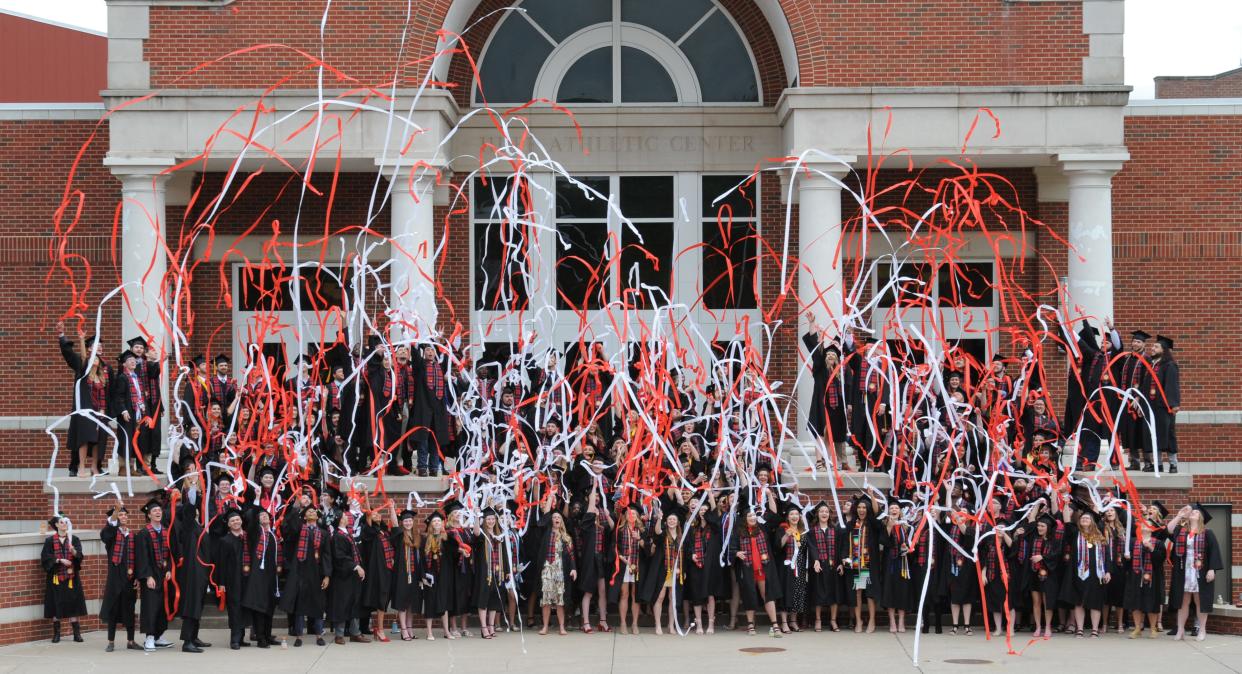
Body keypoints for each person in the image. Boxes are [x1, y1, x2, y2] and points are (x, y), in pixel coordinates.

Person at [57, 322, 112, 477]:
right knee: (85, 437)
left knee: (99, 438)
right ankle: (80, 467)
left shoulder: (104, 371)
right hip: (84, 410)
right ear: (89, 350)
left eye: (101, 346)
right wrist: (69, 337)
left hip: (99, 410)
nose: (96, 361)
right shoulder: (83, 370)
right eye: (96, 345)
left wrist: (104, 411)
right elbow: (74, 356)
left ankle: (95, 467)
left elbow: (106, 393)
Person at [1167, 503, 1224, 641]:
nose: (1193, 513)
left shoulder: (1207, 533)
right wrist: (1180, 515)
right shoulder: (1181, 530)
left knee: (1200, 601)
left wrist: (1212, 569)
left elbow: (1214, 553)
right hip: (1183, 570)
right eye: (1192, 512)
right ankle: (1180, 630)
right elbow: (1168, 530)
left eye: (1196, 512)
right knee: (1183, 601)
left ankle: (1202, 630)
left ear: (1201, 517)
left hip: (1200, 570)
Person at [172, 475, 212, 652]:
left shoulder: (199, 526)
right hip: (192, 571)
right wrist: (193, 491)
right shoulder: (188, 527)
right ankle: (187, 641)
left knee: (198, 604)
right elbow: (189, 508)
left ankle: (194, 637)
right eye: (193, 510)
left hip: (201, 571)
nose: (195, 511)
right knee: (191, 605)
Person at [282, 505, 331, 647]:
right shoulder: (298, 531)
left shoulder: (323, 533)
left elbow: (327, 555)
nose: (311, 512)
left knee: (318, 604)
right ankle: (299, 636)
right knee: (299, 606)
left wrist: (327, 575)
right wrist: (296, 507)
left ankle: (318, 635)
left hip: (317, 572)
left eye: (314, 511)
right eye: (308, 511)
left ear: (317, 516)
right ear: (304, 517)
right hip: (300, 572)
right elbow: (290, 525)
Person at [732, 507, 782, 637]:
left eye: (754, 515)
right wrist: (737, 553)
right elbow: (731, 549)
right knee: (749, 595)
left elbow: (775, 517)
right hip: (747, 569)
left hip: (763, 568)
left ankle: (775, 624)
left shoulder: (763, 530)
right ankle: (750, 624)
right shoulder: (738, 533)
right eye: (749, 516)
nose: (753, 518)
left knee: (768, 595)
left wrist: (769, 495)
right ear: (745, 519)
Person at [1062, 507, 1111, 638]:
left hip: (1097, 574)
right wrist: (1066, 503)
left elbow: (1106, 555)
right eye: (1082, 518)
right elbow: (1066, 520)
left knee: (1095, 602)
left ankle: (1095, 630)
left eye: (1087, 518)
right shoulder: (1074, 533)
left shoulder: (1100, 536)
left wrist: (1108, 572)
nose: (1084, 519)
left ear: (1092, 521)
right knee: (1079, 602)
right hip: (1079, 573)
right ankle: (1080, 629)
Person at [134, 498, 173, 652]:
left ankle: (158, 636)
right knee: (151, 606)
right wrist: (147, 576)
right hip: (151, 575)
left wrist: (169, 568)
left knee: (163, 606)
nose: (158, 512)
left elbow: (170, 554)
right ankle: (149, 638)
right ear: (149, 515)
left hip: (164, 574)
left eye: (159, 510)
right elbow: (142, 557)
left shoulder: (166, 531)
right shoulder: (144, 533)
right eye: (154, 511)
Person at [639, 505, 684, 636]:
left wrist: (680, 569)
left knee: (673, 599)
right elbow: (657, 531)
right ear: (666, 521)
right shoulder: (663, 534)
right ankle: (658, 625)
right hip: (663, 570)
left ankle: (671, 625)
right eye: (669, 519)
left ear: (677, 522)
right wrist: (659, 519)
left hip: (676, 571)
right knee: (660, 597)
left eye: (674, 519)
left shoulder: (681, 536)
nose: (671, 521)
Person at [99, 505, 139, 651]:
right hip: (115, 580)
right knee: (113, 611)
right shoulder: (111, 536)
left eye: (124, 515)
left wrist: (137, 577)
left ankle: (131, 641)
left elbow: (137, 559)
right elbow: (105, 533)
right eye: (120, 515)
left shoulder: (133, 536)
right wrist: (114, 514)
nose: (123, 517)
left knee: (130, 611)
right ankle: (111, 642)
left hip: (129, 579)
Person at [41, 514, 86, 643]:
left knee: (73, 603)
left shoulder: (74, 540)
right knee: (56, 603)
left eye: (66, 522)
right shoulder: (50, 541)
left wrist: (74, 552)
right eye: (61, 522)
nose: (64, 524)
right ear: (56, 525)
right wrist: (59, 560)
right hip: (56, 577)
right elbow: (45, 558)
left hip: (72, 578)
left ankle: (76, 634)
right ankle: (56, 634)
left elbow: (80, 556)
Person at [1138, 335, 1181, 473]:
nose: (1152, 348)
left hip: (1164, 406)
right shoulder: (1151, 364)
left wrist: (1173, 404)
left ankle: (1173, 464)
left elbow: (1172, 386)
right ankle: (1159, 464)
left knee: (1167, 434)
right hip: (1150, 405)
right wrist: (1141, 405)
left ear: (1164, 350)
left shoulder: (1170, 366)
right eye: (1153, 346)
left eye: (1156, 346)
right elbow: (1144, 387)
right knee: (1153, 434)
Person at [329, 511, 370, 645]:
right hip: (343, 577)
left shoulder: (346, 533)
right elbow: (340, 557)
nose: (348, 517)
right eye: (345, 516)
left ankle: (355, 633)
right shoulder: (337, 536)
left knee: (354, 603)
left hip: (352, 577)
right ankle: (339, 635)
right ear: (341, 520)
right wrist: (355, 567)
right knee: (342, 604)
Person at [242, 508, 281, 648]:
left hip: (270, 576)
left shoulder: (272, 534)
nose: (264, 516)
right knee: (260, 607)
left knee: (270, 607)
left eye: (266, 515)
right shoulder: (255, 533)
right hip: (258, 576)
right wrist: (257, 500)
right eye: (261, 515)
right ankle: (260, 638)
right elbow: (251, 522)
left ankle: (268, 635)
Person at [1125, 508, 1166, 639]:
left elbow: (1160, 560)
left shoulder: (1158, 543)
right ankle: (1137, 628)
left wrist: (1151, 549)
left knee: (1152, 602)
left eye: (1148, 524)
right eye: (1143, 523)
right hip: (1135, 576)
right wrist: (1126, 557)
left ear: (1153, 528)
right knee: (1136, 602)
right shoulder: (1132, 542)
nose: (1145, 525)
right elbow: (1127, 563)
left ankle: (1153, 628)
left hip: (1152, 576)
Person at [843, 496, 882, 633]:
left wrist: (872, 496)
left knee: (870, 594)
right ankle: (858, 621)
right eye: (859, 507)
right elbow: (845, 543)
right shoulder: (851, 524)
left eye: (864, 507)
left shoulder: (872, 524)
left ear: (868, 509)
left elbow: (877, 512)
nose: (861, 510)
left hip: (868, 564)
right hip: (855, 564)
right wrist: (843, 558)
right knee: (857, 593)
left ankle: (872, 621)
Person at [685, 496, 724, 634]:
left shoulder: (714, 528)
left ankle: (711, 625)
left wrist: (710, 495)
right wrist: (692, 555)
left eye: (705, 510)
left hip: (710, 566)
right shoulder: (693, 527)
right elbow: (688, 545)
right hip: (696, 565)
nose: (702, 512)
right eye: (700, 510)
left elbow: (714, 512)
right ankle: (699, 624)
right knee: (696, 594)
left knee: (710, 594)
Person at [536, 508, 577, 636]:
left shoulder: (566, 537)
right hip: (547, 569)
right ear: (551, 520)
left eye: (558, 517)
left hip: (560, 570)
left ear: (562, 521)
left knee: (560, 600)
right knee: (546, 600)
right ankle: (545, 627)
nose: (556, 519)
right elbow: (542, 521)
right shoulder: (546, 533)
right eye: (554, 517)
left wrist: (573, 568)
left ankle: (561, 627)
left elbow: (572, 555)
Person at [474, 508, 510, 639]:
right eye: (488, 519)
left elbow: (505, 554)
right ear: (485, 520)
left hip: (498, 572)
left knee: (495, 600)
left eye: (493, 519)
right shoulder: (482, 535)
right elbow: (476, 532)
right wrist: (477, 517)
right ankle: (484, 628)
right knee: (484, 599)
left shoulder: (500, 535)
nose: (491, 521)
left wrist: (507, 571)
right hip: (485, 573)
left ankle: (491, 626)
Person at [807, 501, 843, 632]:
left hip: (833, 567)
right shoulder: (812, 531)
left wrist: (840, 563)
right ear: (817, 514)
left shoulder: (836, 530)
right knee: (818, 593)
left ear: (829, 514)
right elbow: (812, 547)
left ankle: (833, 621)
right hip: (819, 568)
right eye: (822, 511)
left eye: (826, 512)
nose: (824, 513)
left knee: (834, 594)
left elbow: (839, 548)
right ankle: (818, 620)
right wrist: (815, 560)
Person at [390, 509, 424, 641]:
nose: (408, 522)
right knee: (402, 602)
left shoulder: (417, 536)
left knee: (412, 602)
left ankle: (409, 628)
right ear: (402, 522)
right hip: (402, 574)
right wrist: (392, 509)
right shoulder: (399, 535)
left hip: (415, 574)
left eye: (410, 520)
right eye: (405, 521)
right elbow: (393, 523)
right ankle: (403, 629)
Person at [776, 503, 809, 634]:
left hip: (800, 567)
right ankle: (784, 623)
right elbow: (778, 547)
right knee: (786, 593)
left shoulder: (803, 531)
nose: (794, 516)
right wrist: (786, 535)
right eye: (792, 514)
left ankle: (793, 621)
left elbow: (806, 549)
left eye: (796, 514)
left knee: (797, 593)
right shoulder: (782, 530)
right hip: (787, 566)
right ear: (787, 517)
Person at [613, 503, 645, 634]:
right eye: (629, 513)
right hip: (624, 564)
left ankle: (635, 624)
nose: (631, 515)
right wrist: (622, 558)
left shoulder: (642, 531)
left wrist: (640, 540)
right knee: (624, 594)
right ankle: (623, 623)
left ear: (637, 516)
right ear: (625, 516)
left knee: (635, 595)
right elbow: (614, 547)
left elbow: (647, 549)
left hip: (637, 564)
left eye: (634, 514)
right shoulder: (620, 530)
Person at [880, 503, 912, 633]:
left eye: (896, 508)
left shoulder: (906, 526)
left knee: (902, 592)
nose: (894, 510)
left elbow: (911, 544)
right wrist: (889, 526)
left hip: (903, 564)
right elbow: (883, 542)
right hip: (890, 563)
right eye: (891, 508)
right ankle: (892, 621)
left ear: (900, 511)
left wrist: (907, 549)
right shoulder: (884, 525)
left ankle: (901, 621)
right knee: (890, 591)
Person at [422, 510, 454, 640]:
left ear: (442, 524)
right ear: (431, 524)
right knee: (429, 602)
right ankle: (429, 632)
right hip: (430, 574)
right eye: (434, 521)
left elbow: (453, 555)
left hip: (443, 575)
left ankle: (447, 631)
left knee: (444, 603)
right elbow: (421, 561)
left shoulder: (447, 539)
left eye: (439, 521)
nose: (437, 523)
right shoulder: (425, 539)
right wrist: (423, 576)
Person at [945, 508, 976, 635]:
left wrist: (957, 518)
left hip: (967, 566)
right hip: (953, 565)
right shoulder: (951, 528)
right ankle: (955, 625)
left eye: (963, 513)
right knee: (955, 596)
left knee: (967, 595)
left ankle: (967, 625)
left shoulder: (972, 529)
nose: (960, 515)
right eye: (959, 513)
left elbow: (966, 533)